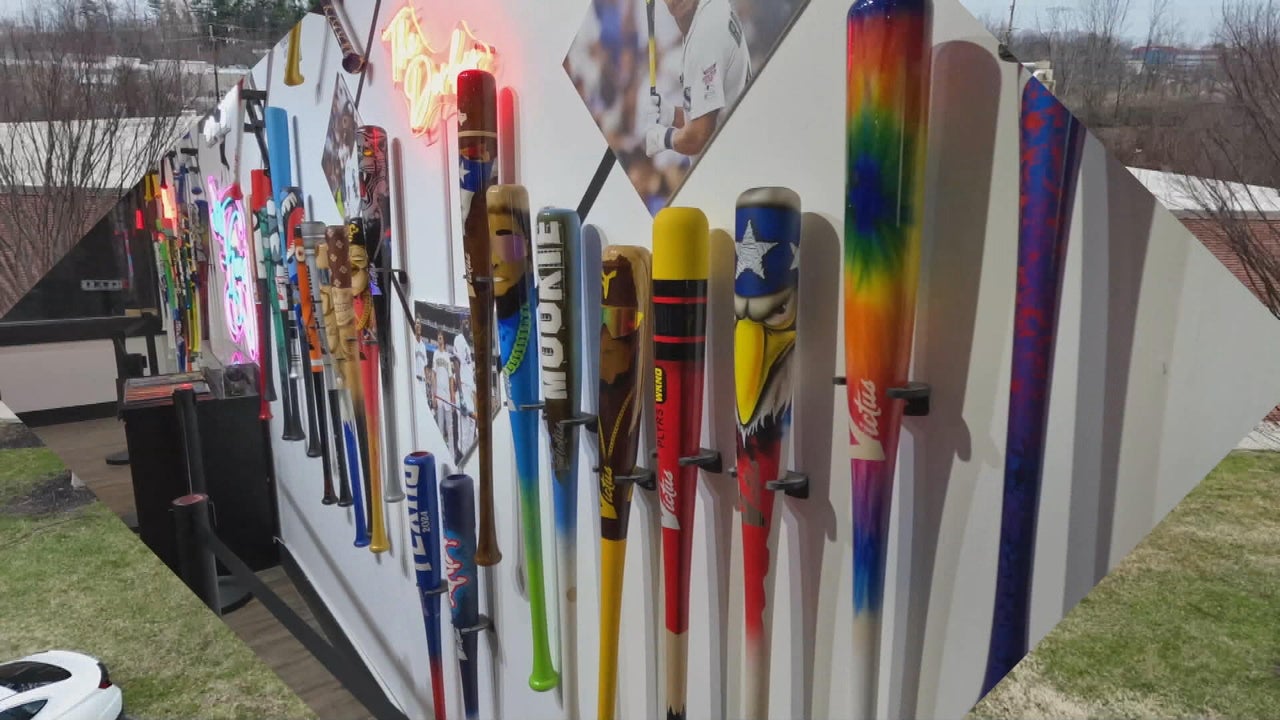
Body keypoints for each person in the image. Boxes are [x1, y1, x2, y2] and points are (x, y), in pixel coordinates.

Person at [644, 0, 752, 159]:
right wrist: (671, 114)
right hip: (738, 145)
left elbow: (698, 137)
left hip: (733, 159)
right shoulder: (707, 11)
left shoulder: (703, 36)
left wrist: (662, 139)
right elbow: (710, 118)